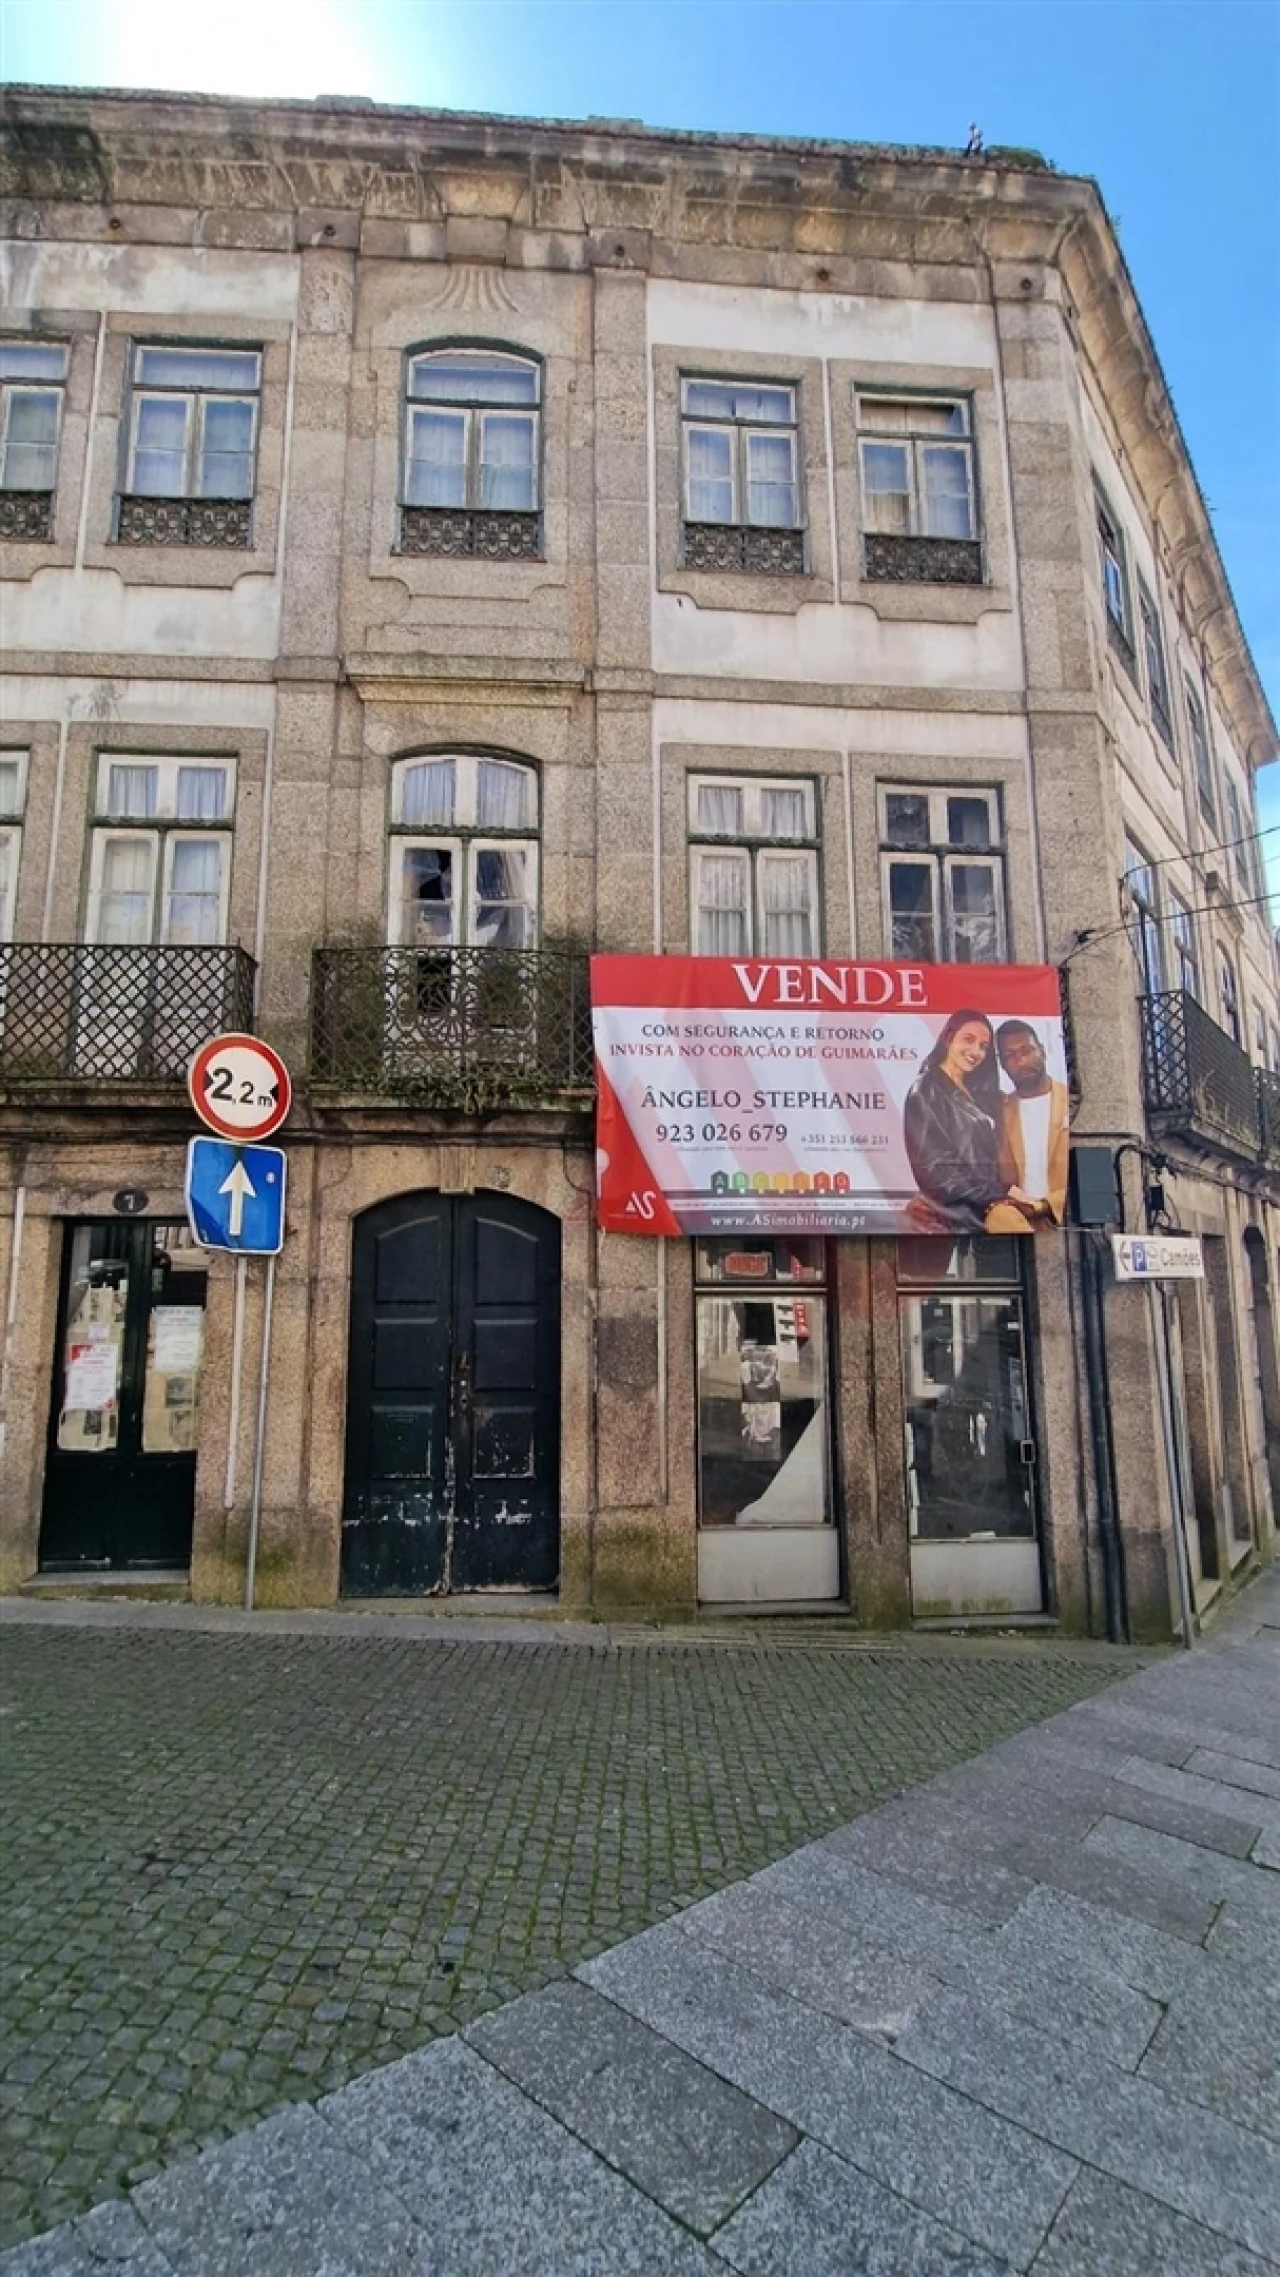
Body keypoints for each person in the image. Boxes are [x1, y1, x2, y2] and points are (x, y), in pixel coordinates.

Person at [903, 1009, 1035, 1233]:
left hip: (984, 1210)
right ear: (949, 1037)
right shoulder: (926, 1089)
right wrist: (998, 1194)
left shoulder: (974, 1091)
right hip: (961, 1217)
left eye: (984, 1046)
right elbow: (941, 1170)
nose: (976, 1051)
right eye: (969, 1039)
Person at [995, 1020, 1069, 1225]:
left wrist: (1042, 1205)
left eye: (1027, 1050)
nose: (1021, 1061)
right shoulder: (1001, 1112)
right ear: (1002, 1064)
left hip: (1065, 1220)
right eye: (1010, 1056)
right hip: (1016, 1222)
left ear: (1042, 1051)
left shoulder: (1070, 1102)